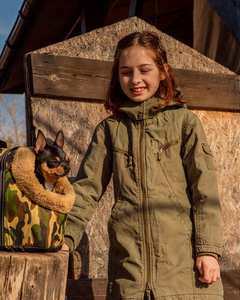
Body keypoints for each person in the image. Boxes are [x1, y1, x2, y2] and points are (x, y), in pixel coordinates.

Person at [62, 31, 223, 300]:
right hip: (129, 278)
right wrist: (64, 240)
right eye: (126, 72)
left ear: (163, 72)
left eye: (144, 70)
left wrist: (207, 250)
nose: (135, 80)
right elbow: (86, 190)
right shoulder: (109, 131)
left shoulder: (185, 123)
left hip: (183, 274)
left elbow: (204, 191)